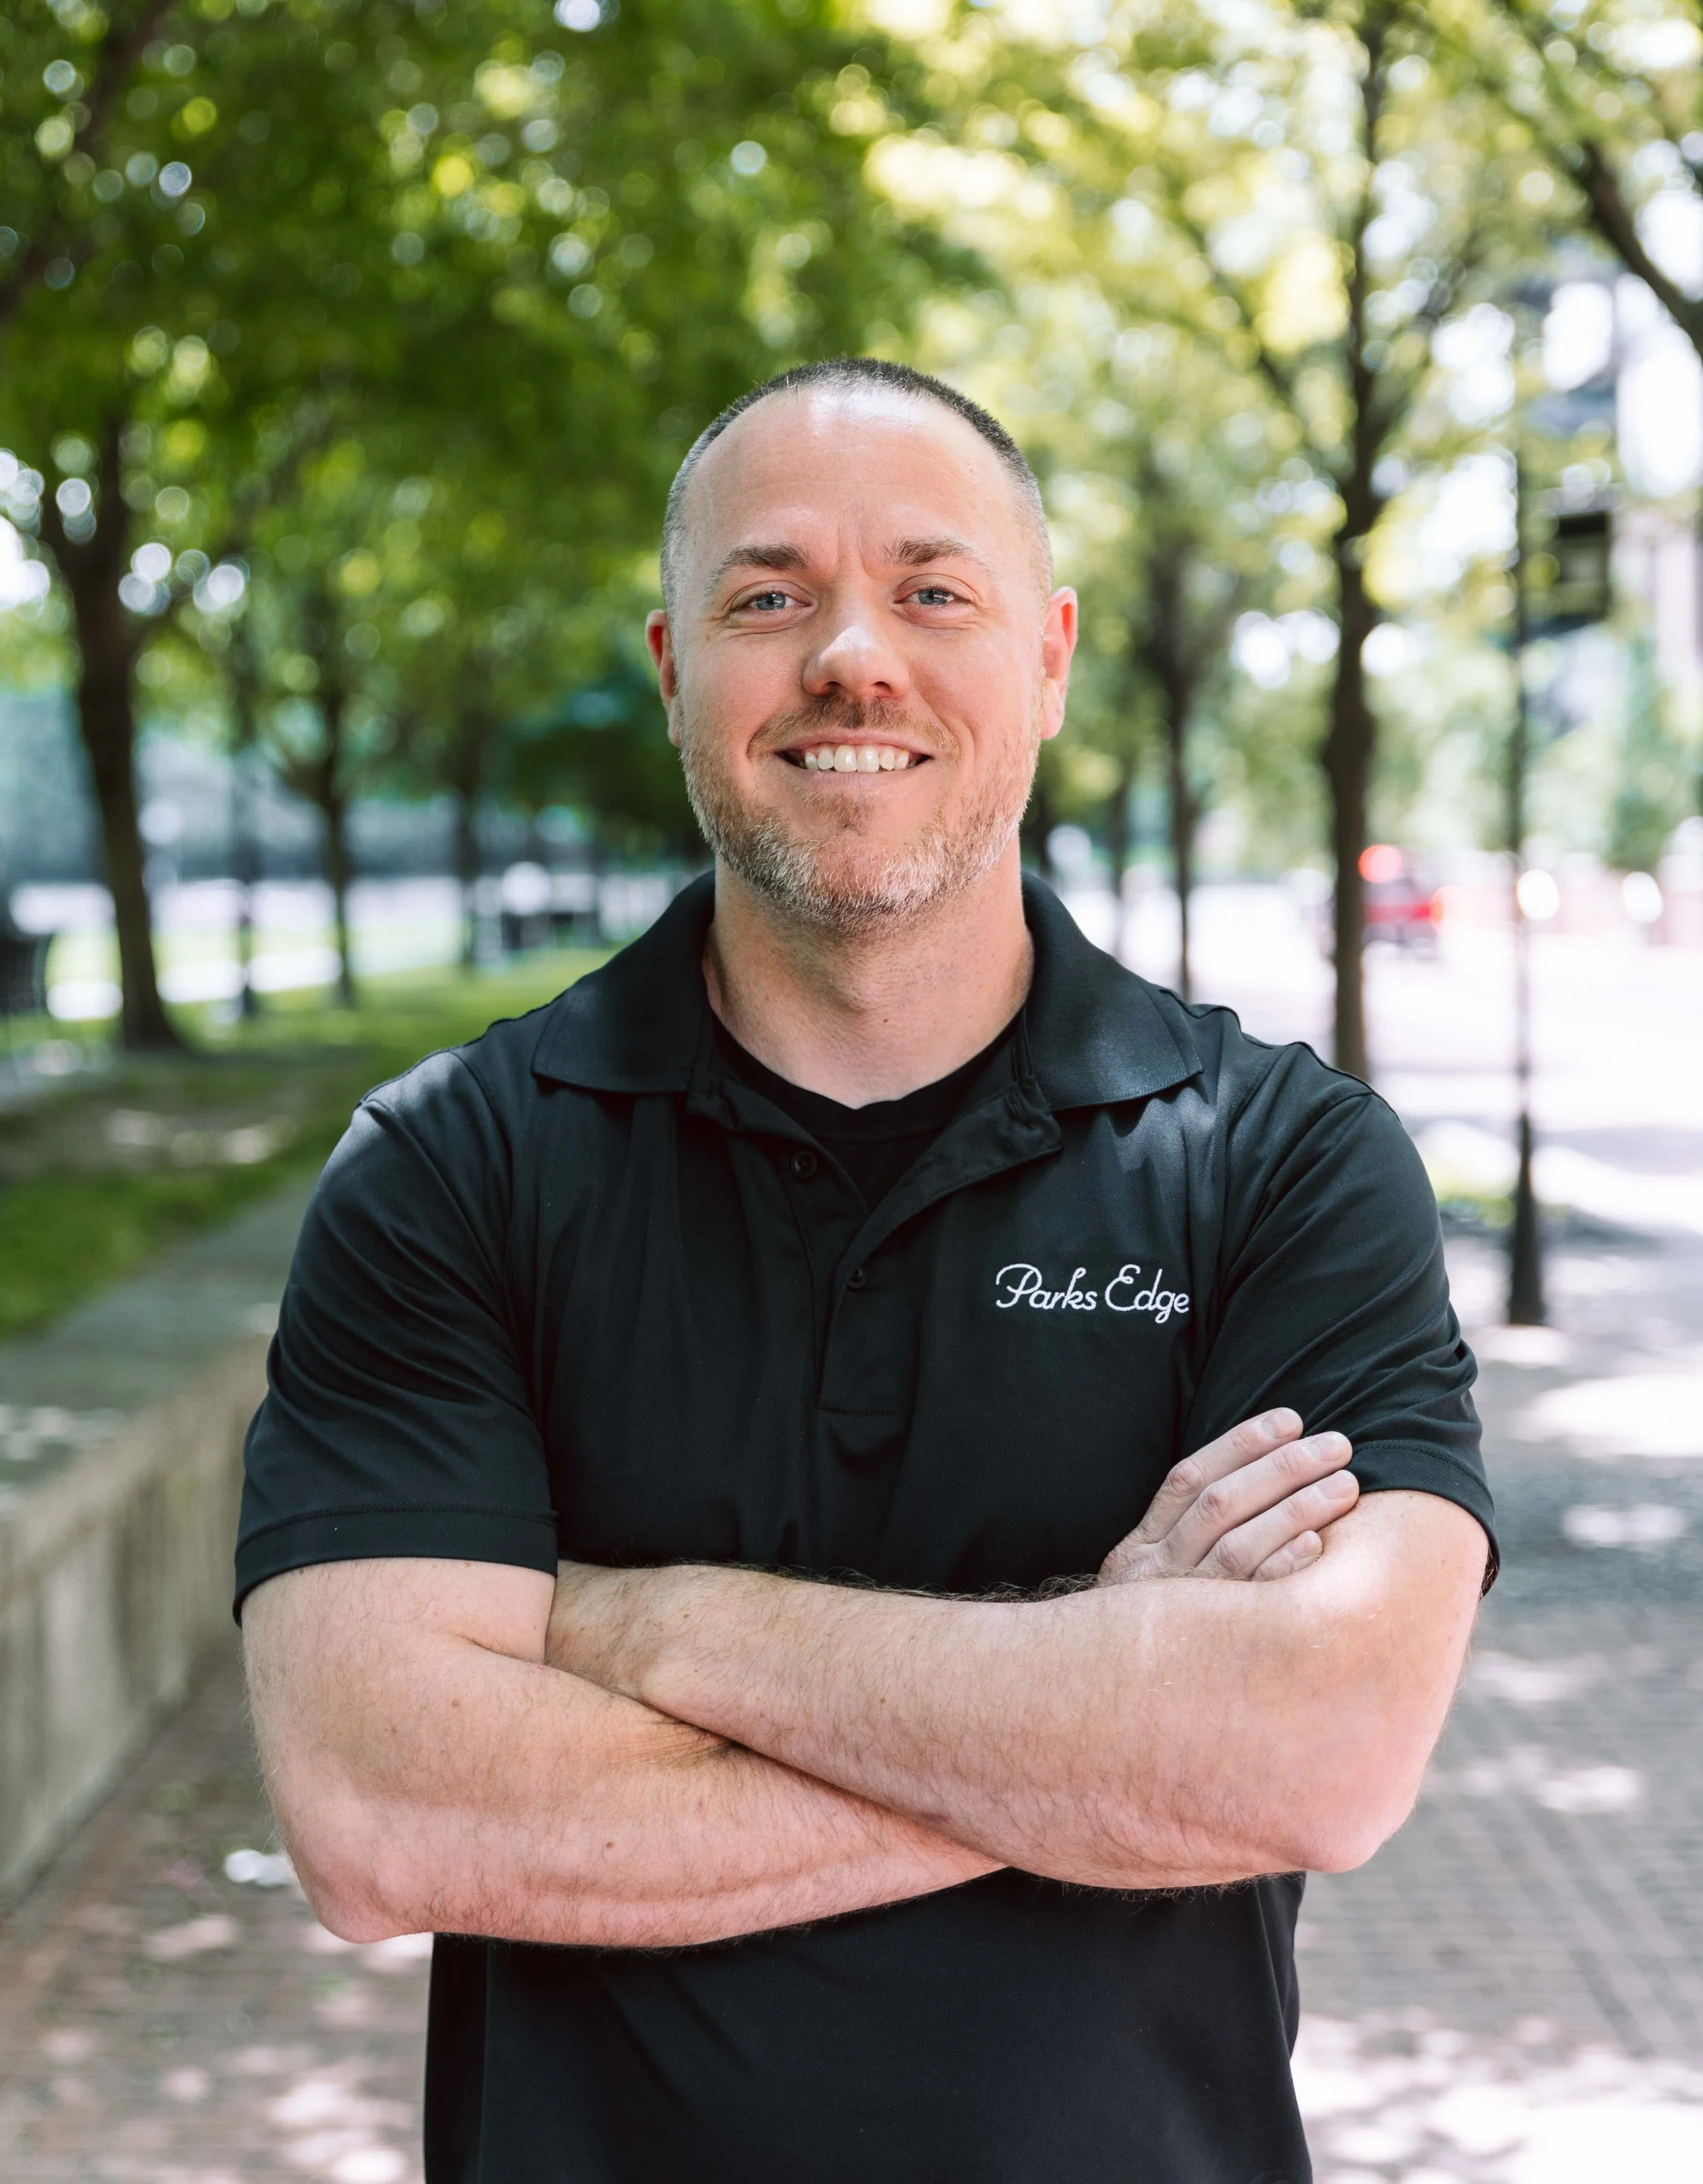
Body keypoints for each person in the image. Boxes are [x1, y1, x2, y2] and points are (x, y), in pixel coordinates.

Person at [238, 358, 1495, 2184]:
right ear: (674, 668)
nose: (851, 658)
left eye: (932, 590)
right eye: (767, 597)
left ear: (1048, 657)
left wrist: (639, 1626)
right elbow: (381, 1813)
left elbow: (1319, 1749)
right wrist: (1107, 1709)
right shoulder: (452, 1169)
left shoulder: (1282, 1164)